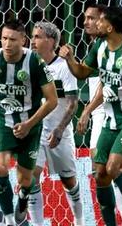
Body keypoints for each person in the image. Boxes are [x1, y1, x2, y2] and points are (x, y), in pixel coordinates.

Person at [0, 20, 58, 226]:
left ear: (23, 40)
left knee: (25, 180)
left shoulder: (35, 62)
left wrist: (29, 124)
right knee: (0, 168)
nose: (7, 44)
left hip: (30, 127)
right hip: (2, 123)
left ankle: (23, 199)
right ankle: (9, 220)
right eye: (4, 38)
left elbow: (52, 100)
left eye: (13, 40)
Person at [62, 5, 122, 226]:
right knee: (100, 175)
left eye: (100, 20)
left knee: (114, 168)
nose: (95, 23)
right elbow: (83, 72)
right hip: (109, 121)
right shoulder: (100, 48)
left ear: (110, 26)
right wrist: (70, 60)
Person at [27, 21, 84, 226]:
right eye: (32, 36)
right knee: (31, 178)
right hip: (35, 132)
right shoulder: (29, 64)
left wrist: (59, 129)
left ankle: (80, 220)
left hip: (59, 132)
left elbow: (73, 103)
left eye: (38, 37)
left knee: (68, 181)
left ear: (51, 41)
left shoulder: (64, 68)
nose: (33, 41)